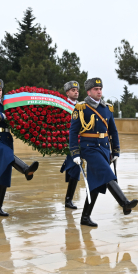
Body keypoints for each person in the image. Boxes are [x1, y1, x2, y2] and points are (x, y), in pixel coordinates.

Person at [68, 77, 137, 227]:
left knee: (96, 185)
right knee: (106, 174)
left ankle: (85, 217)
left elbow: (113, 131)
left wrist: (116, 150)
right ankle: (124, 202)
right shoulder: (81, 108)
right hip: (90, 148)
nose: (99, 91)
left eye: (100, 89)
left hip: (104, 148)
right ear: (89, 92)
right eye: (96, 89)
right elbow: (73, 132)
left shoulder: (107, 108)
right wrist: (75, 153)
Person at [0, 79, 40, 216]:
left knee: (4, 174)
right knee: (5, 154)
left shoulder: (7, 105)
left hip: (6, 138)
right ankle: (25, 169)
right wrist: (3, 116)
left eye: (0, 90)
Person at [59, 80, 82, 209]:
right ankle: (68, 200)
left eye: (77, 90)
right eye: (73, 90)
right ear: (67, 92)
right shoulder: (62, 105)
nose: (76, 92)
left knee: (75, 168)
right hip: (69, 141)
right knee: (75, 168)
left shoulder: (81, 106)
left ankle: (69, 199)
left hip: (80, 141)